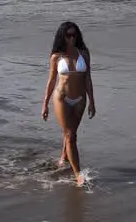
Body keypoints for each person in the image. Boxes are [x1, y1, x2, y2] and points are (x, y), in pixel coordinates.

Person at [41, 20, 96, 186]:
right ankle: (78, 174)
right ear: (62, 37)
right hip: (61, 98)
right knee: (70, 135)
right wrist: (45, 104)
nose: (71, 39)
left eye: (74, 35)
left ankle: (64, 156)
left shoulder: (84, 53)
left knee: (72, 134)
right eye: (68, 35)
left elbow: (87, 78)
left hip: (80, 99)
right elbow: (51, 81)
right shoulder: (56, 57)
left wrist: (92, 101)